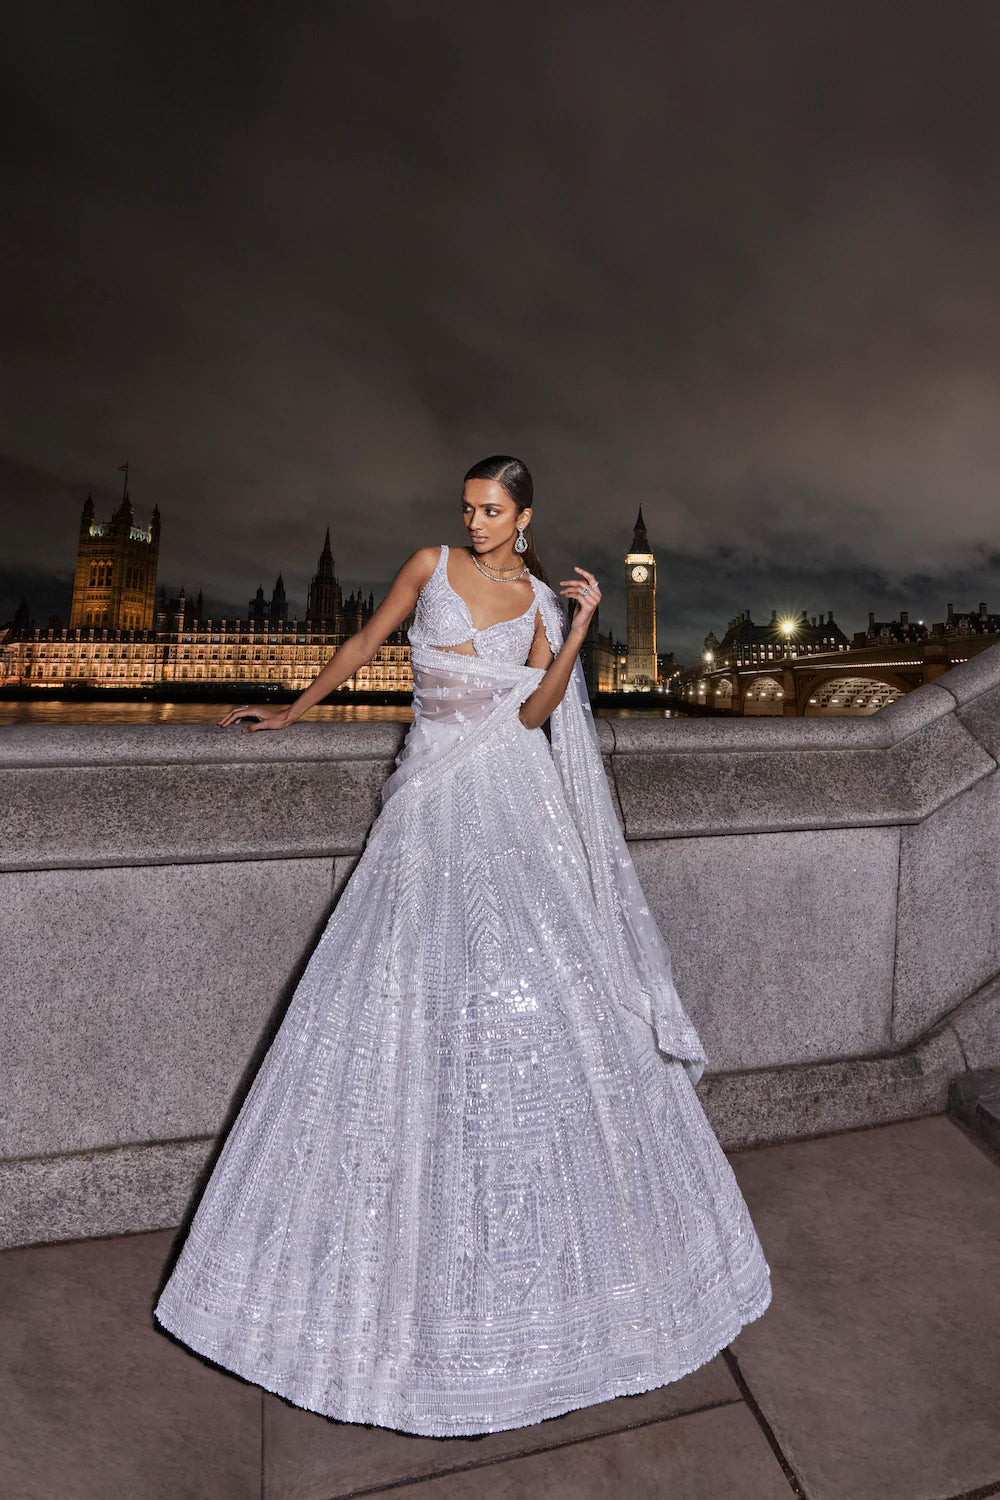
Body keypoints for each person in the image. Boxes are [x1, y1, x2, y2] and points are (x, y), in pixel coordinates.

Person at [153, 454, 771, 1438]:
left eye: (492, 511)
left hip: (506, 798)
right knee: (397, 997)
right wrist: (292, 710)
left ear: (524, 517)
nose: (476, 522)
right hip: (430, 801)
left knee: (537, 996)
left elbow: (533, 713)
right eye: (469, 508)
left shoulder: (536, 600)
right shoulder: (427, 564)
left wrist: (573, 634)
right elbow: (363, 640)